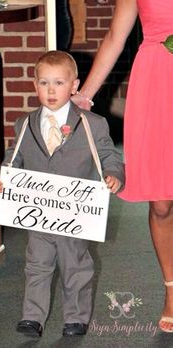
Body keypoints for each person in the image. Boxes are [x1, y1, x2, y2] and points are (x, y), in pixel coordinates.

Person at [0, 50, 124, 337]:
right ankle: (32, 317)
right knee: (36, 265)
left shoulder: (93, 123)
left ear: (75, 86)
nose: (51, 91)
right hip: (38, 211)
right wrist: (5, 179)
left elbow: (109, 156)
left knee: (75, 265)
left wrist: (115, 176)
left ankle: (75, 318)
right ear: (35, 85)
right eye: (44, 83)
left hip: (75, 213)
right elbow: (14, 158)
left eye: (59, 83)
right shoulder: (25, 123)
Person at [71, 0, 173, 333]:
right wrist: (84, 97)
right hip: (157, 81)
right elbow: (116, 35)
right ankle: (172, 289)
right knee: (161, 202)